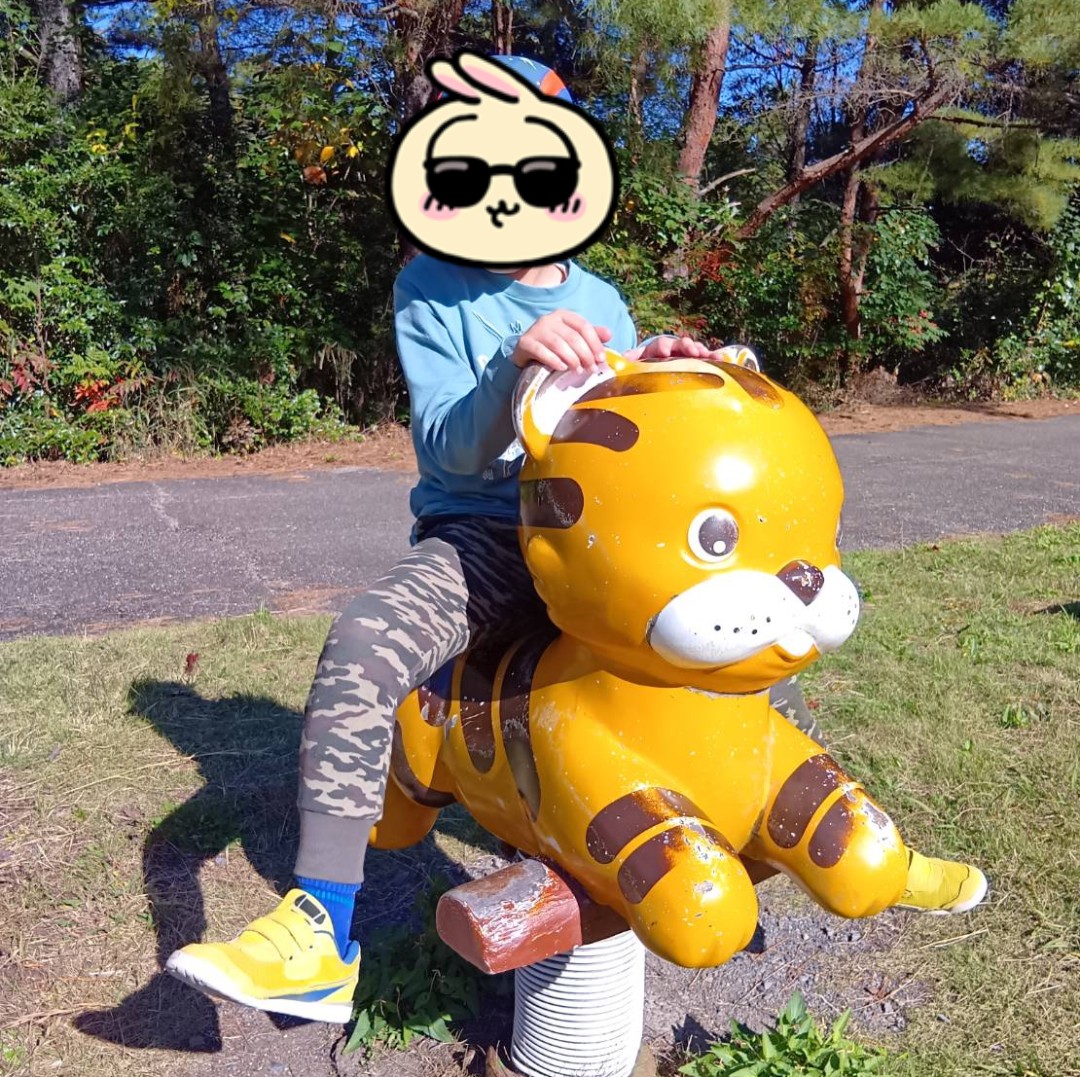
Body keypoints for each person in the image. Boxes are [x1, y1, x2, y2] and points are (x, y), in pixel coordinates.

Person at [164, 55, 826, 1022]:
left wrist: (660, 368)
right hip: (486, 539)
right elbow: (449, 446)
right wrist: (511, 367)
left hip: (600, 543)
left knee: (741, 634)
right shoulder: (429, 290)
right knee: (364, 645)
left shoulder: (601, 300)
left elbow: (627, 425)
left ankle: (771, 823)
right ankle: (321, 931)